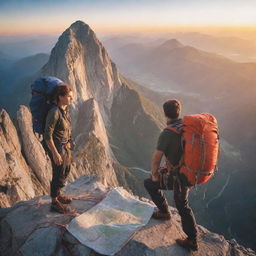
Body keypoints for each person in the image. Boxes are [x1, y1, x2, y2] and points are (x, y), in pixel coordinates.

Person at [144, 99, 198, 251]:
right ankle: (166, 213)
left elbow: (156, 158)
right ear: (179, 111)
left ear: (165, 113)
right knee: (182, 203)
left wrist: (154, 174)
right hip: (189, 173)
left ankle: (192, 240)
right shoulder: (187, 128)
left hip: (178, 176)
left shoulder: (167, 133)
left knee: (151, 184)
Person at [44, 84, 74, 214]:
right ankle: (54, 202)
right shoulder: (54, 112)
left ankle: (59, 194)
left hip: (65, 146)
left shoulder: (64, 109)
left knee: (66, 170)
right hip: (57, 147)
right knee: (58, 173)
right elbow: (47, 136)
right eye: (69, 96)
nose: (71, 99)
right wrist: (55, 154)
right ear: (60, 97)